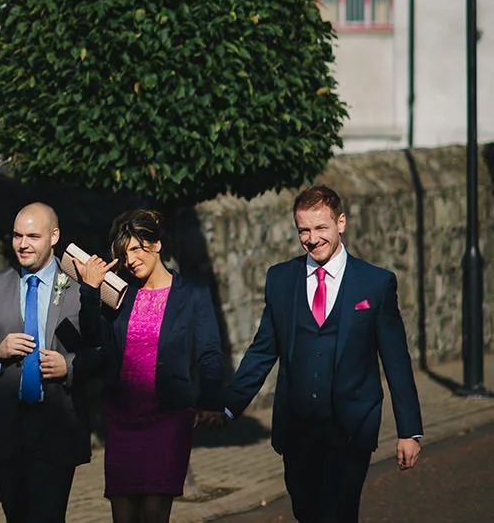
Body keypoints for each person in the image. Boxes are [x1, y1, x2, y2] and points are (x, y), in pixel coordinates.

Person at [224, 185, 423, 523]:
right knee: (306, 513)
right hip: (297, 430)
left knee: (338, 513)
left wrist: (409, 430)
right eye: (304, 229)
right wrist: (226, 406)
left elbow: (396, 360)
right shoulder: (281, 279)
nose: (312, 238)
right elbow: (262, 351)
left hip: (350, 429)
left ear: (340, 223)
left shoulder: (375, 283)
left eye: (321, 228)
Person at [72, 209, 224, 523]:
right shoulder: (122, 295)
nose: (129, 260)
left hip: (167, 418)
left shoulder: (192, 294)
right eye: (124, 253)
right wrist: (90, 289)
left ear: (155, 245)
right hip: (122, 418)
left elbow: (209, 352)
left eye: (135, 249)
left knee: (154, 513)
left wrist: (210, 401)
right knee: (123, 515)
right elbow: (93, 337)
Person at [0, 202, 95, 523]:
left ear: (54, 236)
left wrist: (70, 365)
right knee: (15, 510)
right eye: (17, 236)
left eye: (33, 236)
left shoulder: (80, 288)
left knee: (48, 514)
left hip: (57, 422)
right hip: (7, 424)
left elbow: (108, 350)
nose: (23, 244)